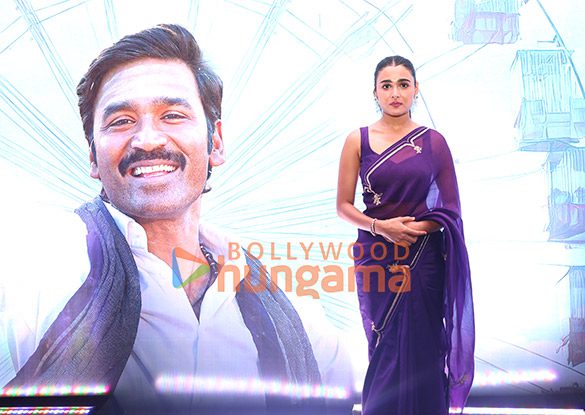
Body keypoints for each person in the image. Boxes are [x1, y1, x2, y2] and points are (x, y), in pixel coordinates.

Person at [0, 24, 353, 414]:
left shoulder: (290, 307)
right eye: (121, 121)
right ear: (92, 157)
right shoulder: (42, 274)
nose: (148, 139)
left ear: (215, 142)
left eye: (172, 115)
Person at [336, 56, 475, 414]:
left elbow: (451, 208)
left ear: (415, 90)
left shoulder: (433, 142)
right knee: (383, 342)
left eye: (403, 84)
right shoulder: (357, 140)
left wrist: (412, 230)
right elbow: (343, 206)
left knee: (424, 343)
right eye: (387, 85)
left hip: (422, 256)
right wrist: (382, 228)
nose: (395, 93)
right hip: (377, 256)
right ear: (375, 93)